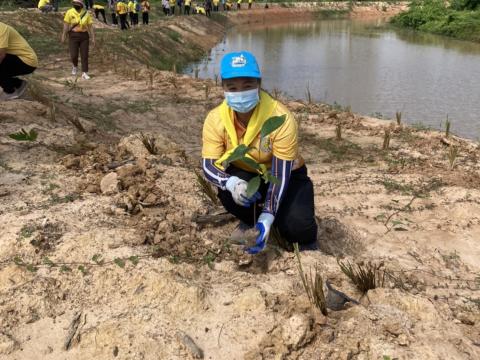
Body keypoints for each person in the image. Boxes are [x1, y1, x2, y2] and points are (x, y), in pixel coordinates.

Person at [201, 51, 318, 254]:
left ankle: (276, 219)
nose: (240, 92)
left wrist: (268, 215)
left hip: (285, 175)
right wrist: (232, 183)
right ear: (223, 88)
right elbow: (208, 165)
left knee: (298, 227)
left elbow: (280, 175)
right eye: (232, 87)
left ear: (259, 83)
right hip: (246, 172)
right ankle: (250, 219)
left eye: (247, 85)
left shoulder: (279, 118)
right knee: (230, 195)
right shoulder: (215, 119)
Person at [0, 22, 38, 100]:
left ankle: (9, 92)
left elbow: (1, 55)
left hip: (27, 61)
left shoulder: (2, 28)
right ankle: (18, 84)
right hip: (13, 58)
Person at [62, 0, 95, 80]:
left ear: (81, 4)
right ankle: (75, 66)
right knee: (74, 55)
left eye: (77, 3)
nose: (75, 5)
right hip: (73, 35)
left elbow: (90, 27)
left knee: (84, 55)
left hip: (84, 36)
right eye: (74, 3)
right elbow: (66, 25)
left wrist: (93, 38)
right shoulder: (69, 12)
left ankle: (85, 72)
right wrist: (63, 35)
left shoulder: (86, 13)